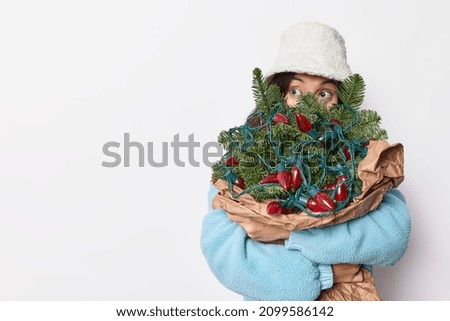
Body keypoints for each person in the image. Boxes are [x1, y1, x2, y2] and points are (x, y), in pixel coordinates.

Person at [200, 21, 411, 301]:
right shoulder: (243, 160)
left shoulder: (361, 158)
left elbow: (391, 235)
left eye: (324, 93)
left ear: (340, 101)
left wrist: (286, 234)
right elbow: (228, 257)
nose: (310, 104)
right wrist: (330, 273)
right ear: (280, 94)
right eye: (297, 91)